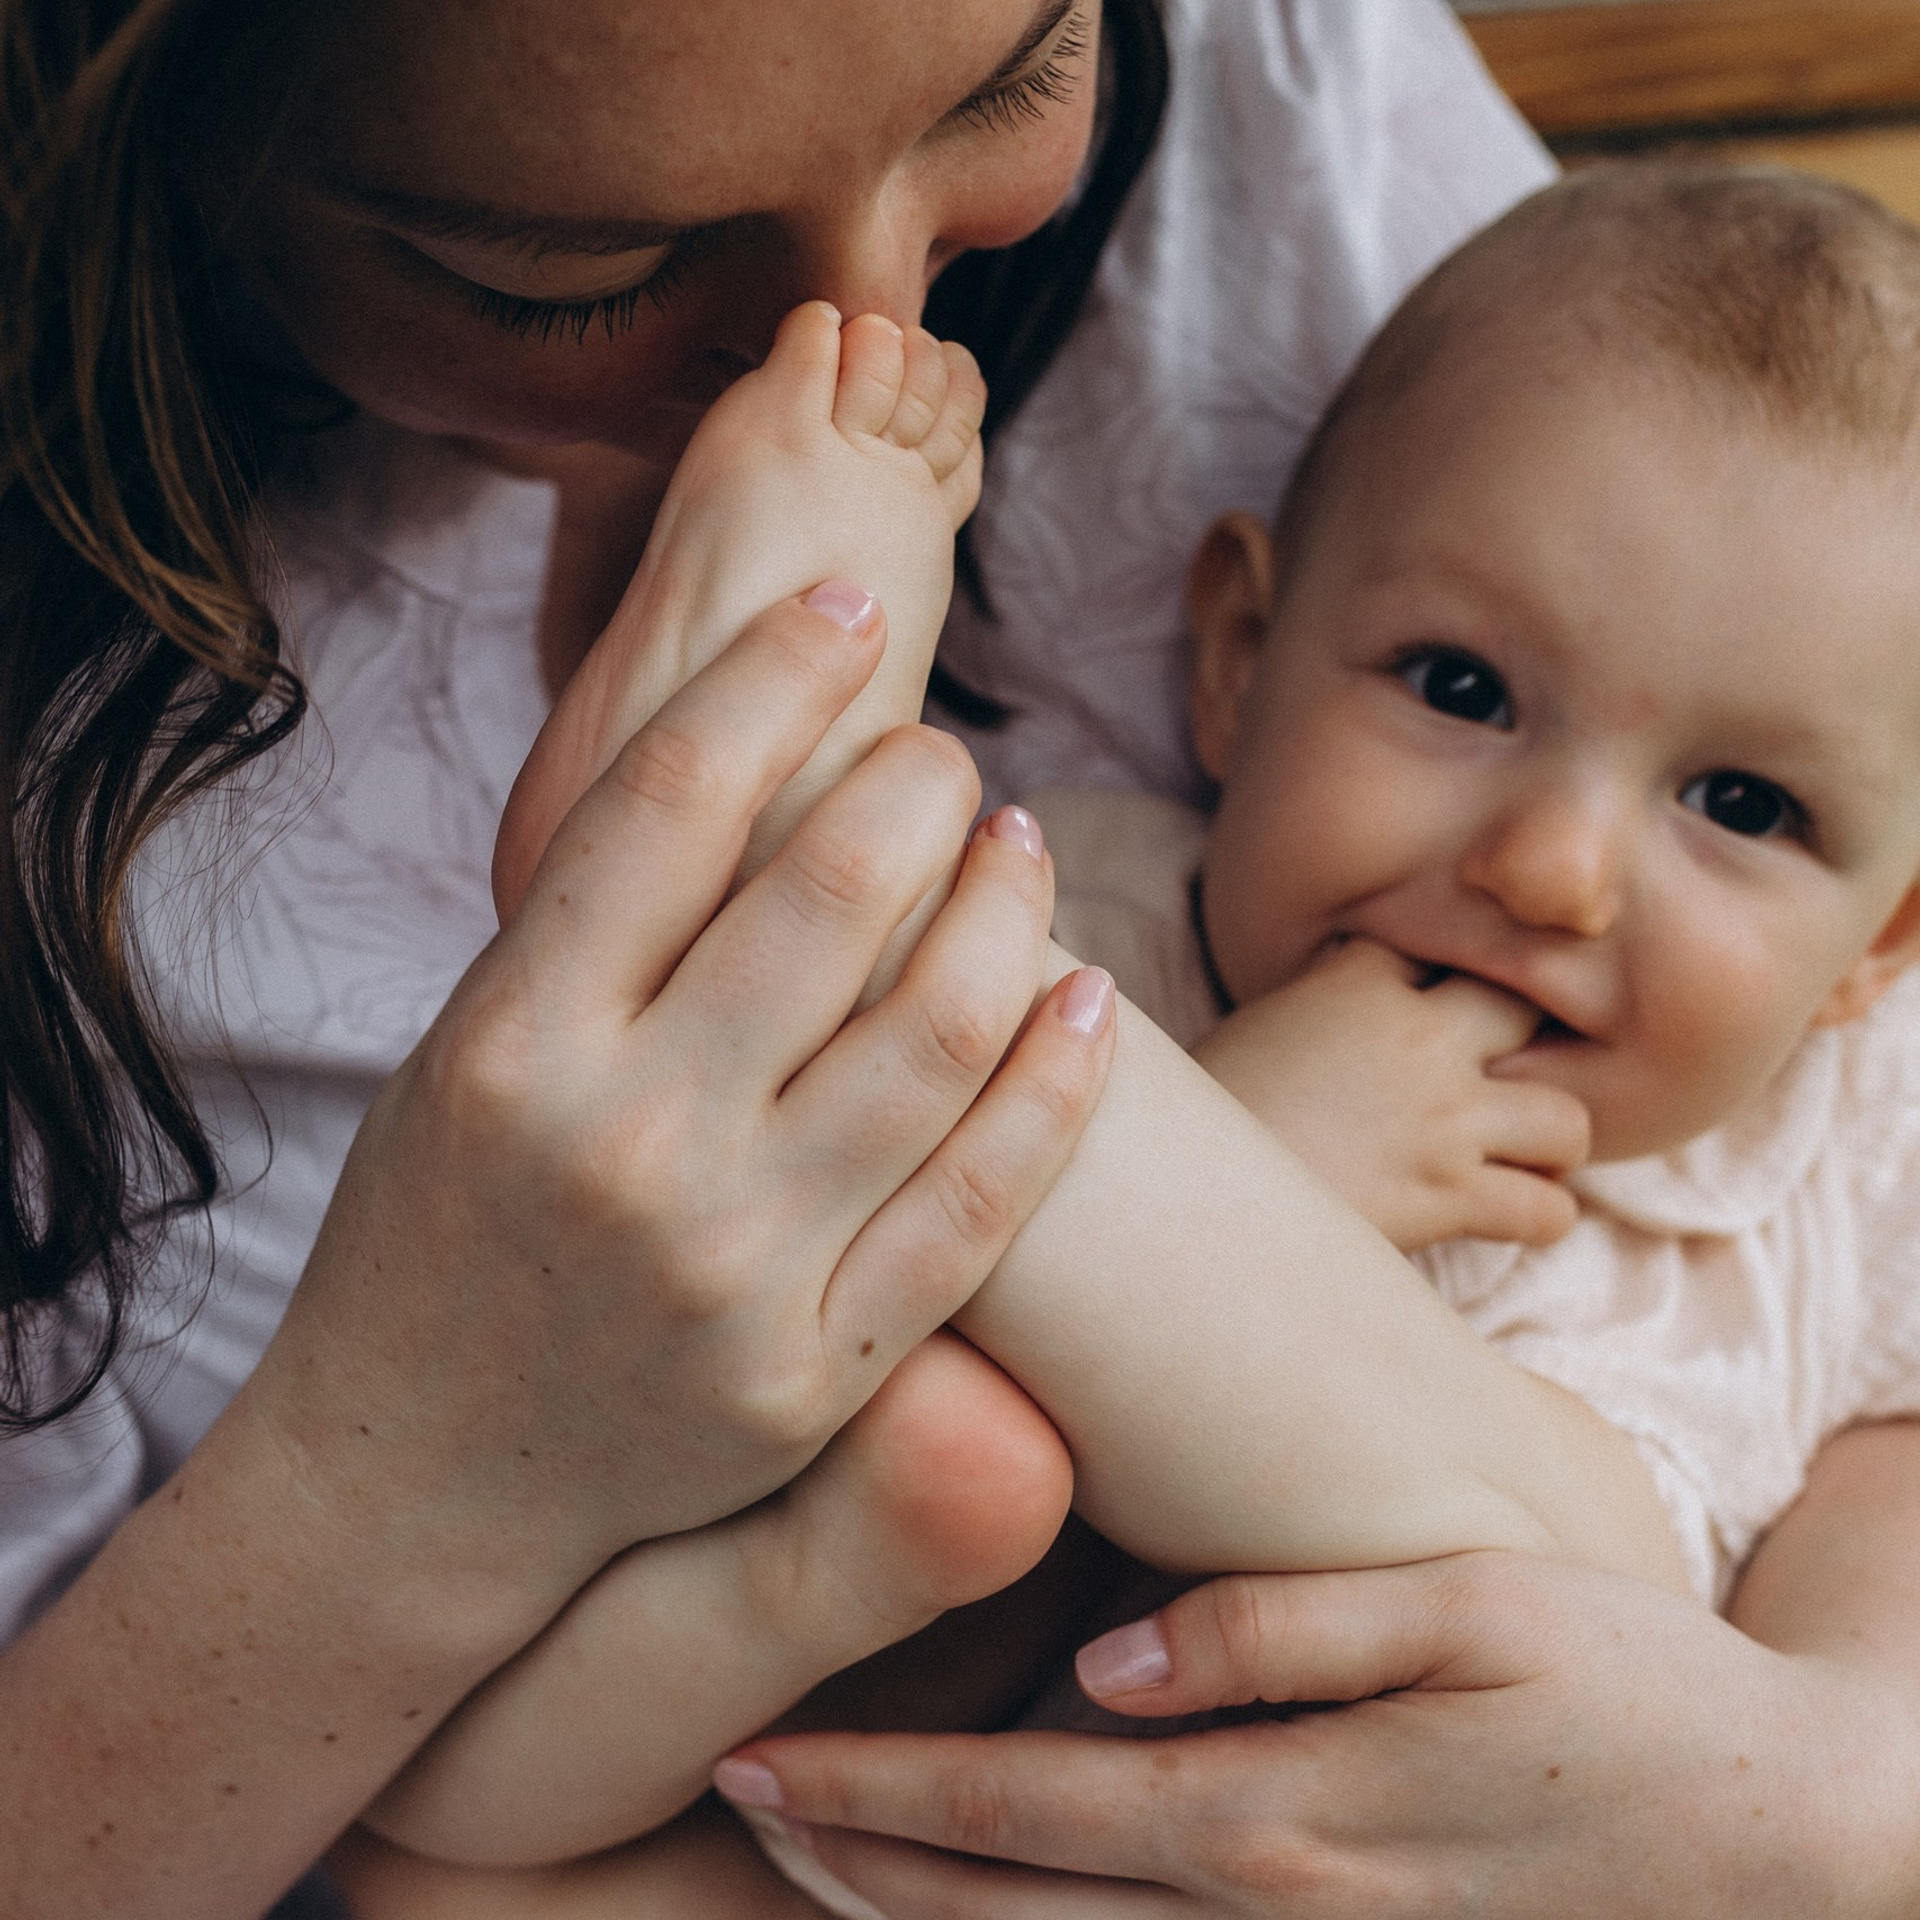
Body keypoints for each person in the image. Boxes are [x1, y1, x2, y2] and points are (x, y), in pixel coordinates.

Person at [1, 2, 1917, 1917]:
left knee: (1587, 1567)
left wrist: (1836, 1792)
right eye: (564, 272)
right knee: (452, 1847)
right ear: (1235, 657)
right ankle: (791, 891)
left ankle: (779, 829)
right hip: (814, 1810)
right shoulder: (1102, 909)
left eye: (1746, 808)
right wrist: (1252, 1157)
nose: (1558, 870)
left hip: (1548, 1774)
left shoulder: (1860, 1106)